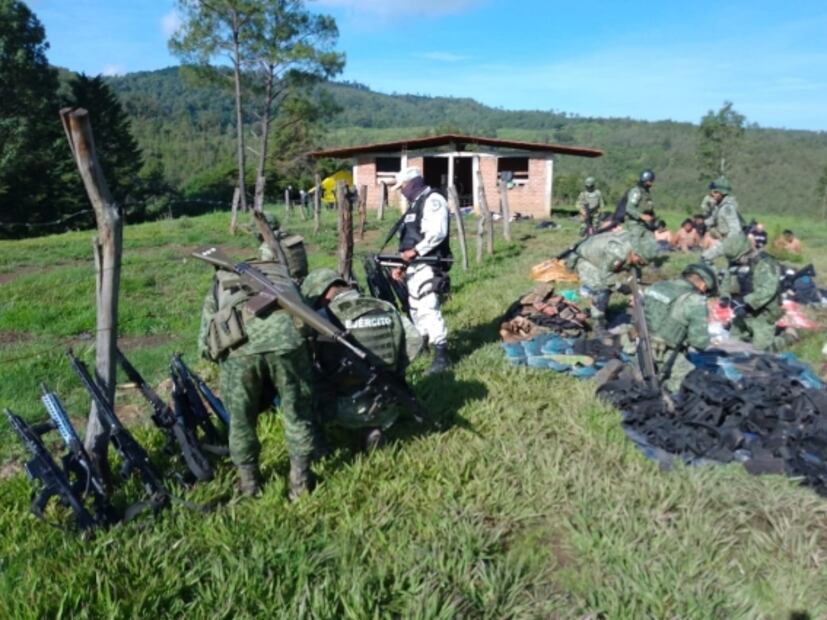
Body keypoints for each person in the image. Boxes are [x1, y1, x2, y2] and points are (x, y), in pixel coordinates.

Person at [198, 259, 320, 500]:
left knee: (241, 420)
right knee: (297, 413)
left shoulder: (219, 285)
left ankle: (249, 485)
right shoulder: (283, 277)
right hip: (288, 341)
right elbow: (308, 324)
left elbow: (205, 345)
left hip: (240, 350)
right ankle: (300, 485)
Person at [300, 268, 423, 449]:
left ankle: (319, 443)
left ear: (322, 295)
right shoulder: (385, 306)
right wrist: (395, 370)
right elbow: (416, 341)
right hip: (389, 403)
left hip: (342, 409)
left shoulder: (322, 318)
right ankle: (373, 428)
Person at [389, 167, 452, 374]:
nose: (402, 191)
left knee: (428, 307)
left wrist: (415, 252)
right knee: (415, 308)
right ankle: (422, 348)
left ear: (412, 183)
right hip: (415, 265)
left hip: (429, 263)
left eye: (403, 187)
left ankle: (442, 356)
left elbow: (437, 233)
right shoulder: (414, 205)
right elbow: (411, 239)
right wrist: (402, 265)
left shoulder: (433, 200)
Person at [643, 263, 717, 392]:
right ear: (703, 285)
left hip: (637, 346)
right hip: (664, 355)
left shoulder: (657, 286)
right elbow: (699, 343)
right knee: (695, 386)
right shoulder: (695, 301)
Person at [564, 231, 645, 332]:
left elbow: (635, 269)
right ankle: (599, 326)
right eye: (640, 261)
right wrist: (621, 288)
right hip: (586, 261)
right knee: (601, 291)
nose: (641, 264)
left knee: (608, 288)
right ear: (635, 254)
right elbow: (606, 277)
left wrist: (636, 287)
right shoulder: (617, 254)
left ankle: (605, 312)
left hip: (599, 260)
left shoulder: (636, 247)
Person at [720, 245, 788, 352]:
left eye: (737, 258)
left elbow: (768, 290)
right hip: (742, 312)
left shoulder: (766, 264)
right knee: (732, 344)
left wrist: (744, 302)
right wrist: (725, 296)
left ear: (744, 253)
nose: (735, 262)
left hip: (762, 313)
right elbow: (726, 281)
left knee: (762, 351)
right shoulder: (735, 262)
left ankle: (789, 337)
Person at [701, 176, 750, 264]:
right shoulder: (719, 207)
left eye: (716, 192)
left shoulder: (727, 208)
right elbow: (709, 221)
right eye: (712, 192)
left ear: (723, 193)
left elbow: (735, 230)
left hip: (735, 247)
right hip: (727, 243)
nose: (713, 194)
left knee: (705, 258)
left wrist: (722, 247)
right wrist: (707, 207)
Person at [616, 169, 658, 263]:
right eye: (650, 181)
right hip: (635, 223)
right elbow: (629, 208)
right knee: (636, 245)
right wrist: (641, 216)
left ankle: (647, 260)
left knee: (651, 243)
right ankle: (636, 263)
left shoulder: (646, 193)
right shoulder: (636, 192)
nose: (651, 183)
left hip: (645, 224)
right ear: (645, 180)